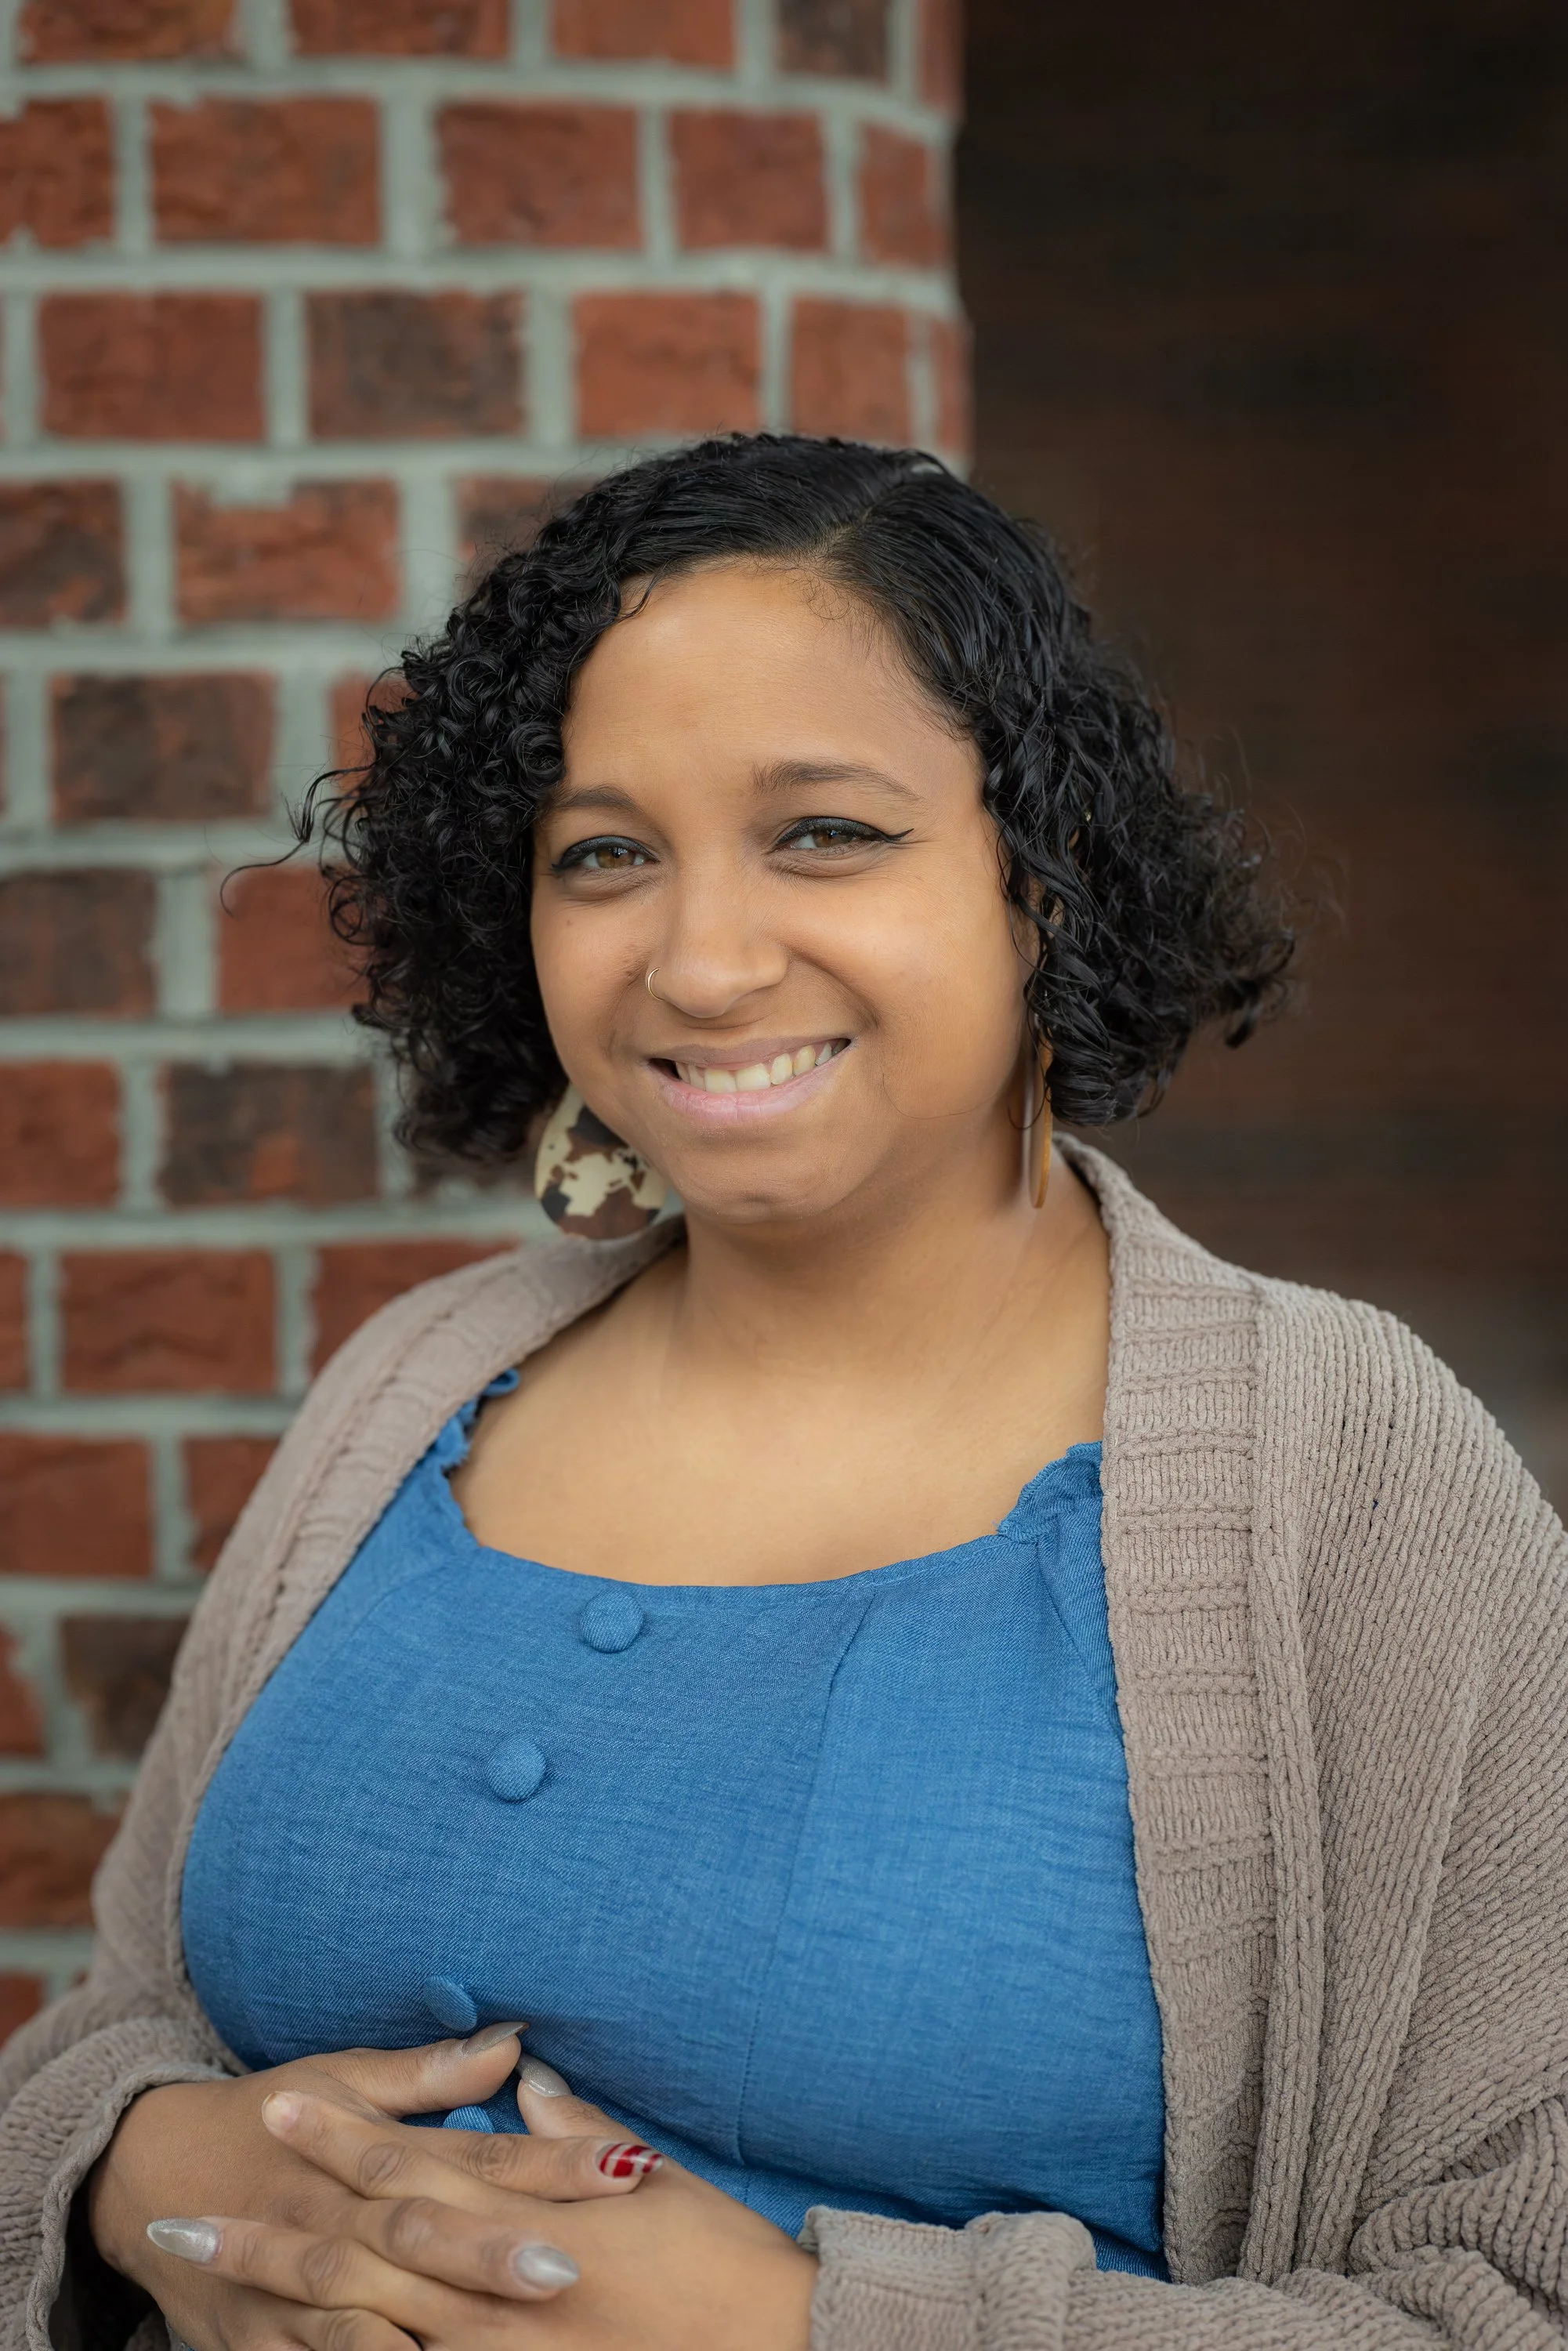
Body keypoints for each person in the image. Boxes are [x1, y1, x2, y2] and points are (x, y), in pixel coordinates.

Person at [2, 435, 1564, 2351]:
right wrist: (139, 2175)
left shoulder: (1345, 1469)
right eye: (606, 855)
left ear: (1042, 885)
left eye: (824, 831)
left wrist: (809, 2329)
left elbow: (1510, 2293)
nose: (703, 958)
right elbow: (111, 2028)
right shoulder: (418, 1386)